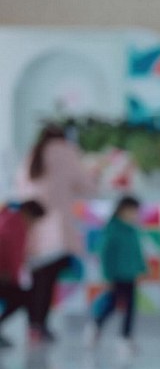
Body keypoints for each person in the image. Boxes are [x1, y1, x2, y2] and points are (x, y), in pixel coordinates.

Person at [16, 124, 96, 342]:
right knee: (47, 281)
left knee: (36, 281)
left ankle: (34, 325)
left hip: (33, 228)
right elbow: (86, 185)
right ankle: (39, 325)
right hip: (56, 230)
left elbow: (21, 187)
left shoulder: (33, 153)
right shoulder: (65, 152)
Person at [83, 195, 145, 355]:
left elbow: (136, 252)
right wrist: (107, 276)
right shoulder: (112, 230)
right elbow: (105, 255)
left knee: (130, 308)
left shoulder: (132, 230)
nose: (134, 214)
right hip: (116, 275)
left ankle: (125, 337)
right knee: (111, 305)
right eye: (132, 210)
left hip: (130, 275)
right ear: (122, 210)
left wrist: (141, 269)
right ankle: (96, 325)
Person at [0, 200, 46, 348]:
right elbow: (9, 251)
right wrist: (9, 274)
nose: (32, 224)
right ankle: (35, 328)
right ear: (28, 213)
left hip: (5, 274)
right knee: (23, 297)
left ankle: (35, 327)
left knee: (24, 296)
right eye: (33, 220)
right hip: (3, 274)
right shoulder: (14, 225)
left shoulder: (9, 220)